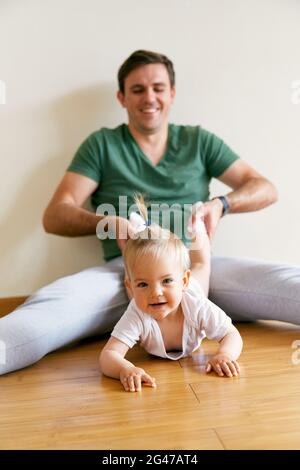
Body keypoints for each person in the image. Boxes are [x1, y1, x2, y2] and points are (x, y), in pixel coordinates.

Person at [0, 49, 299, 377]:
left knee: (284, 282)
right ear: (122, 97)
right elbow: (55, 215)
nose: (149, 97)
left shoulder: (198, 141)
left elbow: (265, 188)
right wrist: (104, 221)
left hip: (195, 265)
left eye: (158, 88)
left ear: (171, 94)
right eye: (137, 89)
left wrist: (221, 205)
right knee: (51, 309)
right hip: (129, 273)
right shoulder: (102, 145)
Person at [99, 195, 243, 392]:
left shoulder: (195, 303)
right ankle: (136, 236)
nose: (156, 293)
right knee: (136, 270)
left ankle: (197, 225)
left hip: (190, 291)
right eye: (143, 285)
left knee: (201, 263)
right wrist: (126, 369)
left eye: (166, 281)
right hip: (141, 295)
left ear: (183, 281)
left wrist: (225, 354)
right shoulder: (137, 313)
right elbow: (108, 355)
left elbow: (231, 334)